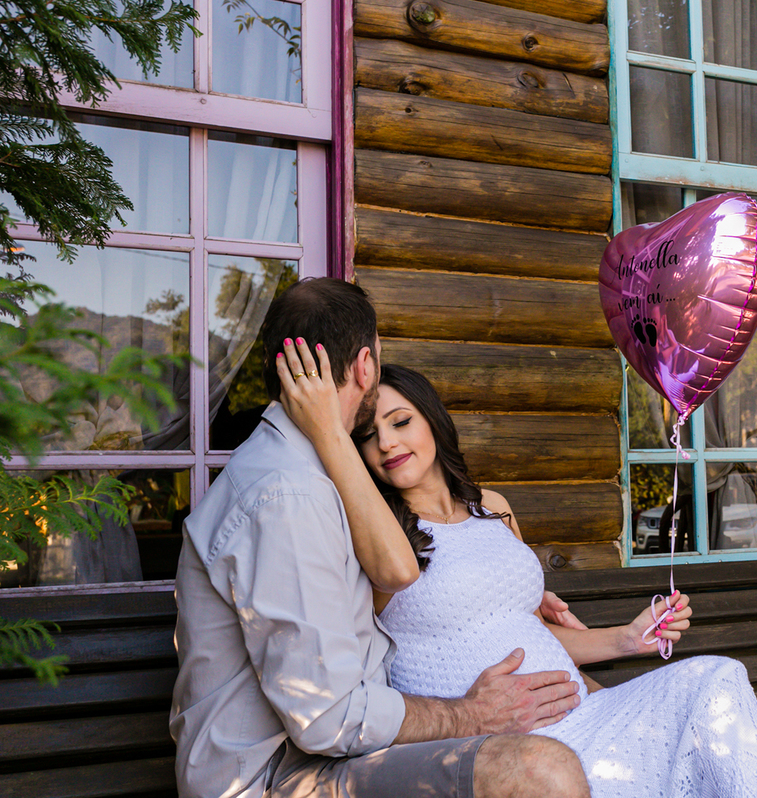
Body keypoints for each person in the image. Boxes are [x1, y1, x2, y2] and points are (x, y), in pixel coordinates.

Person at [274, 338, 757, 798]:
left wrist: (627, 639)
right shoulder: (379, 541)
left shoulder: (493, 508)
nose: (387, 443)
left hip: (584, 715)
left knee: (717, 676)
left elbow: (528, 629)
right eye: (368, 435)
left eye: (401, 421)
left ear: (432, 419)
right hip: (504, 747)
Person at [170, 278, 592, 798]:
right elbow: (328, 719)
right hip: (274, 778)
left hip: (331, 756)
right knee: (538, 771)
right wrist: (472, 714)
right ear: (365, 365)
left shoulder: (317, 468)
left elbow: (397, 569)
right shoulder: (287, 493)